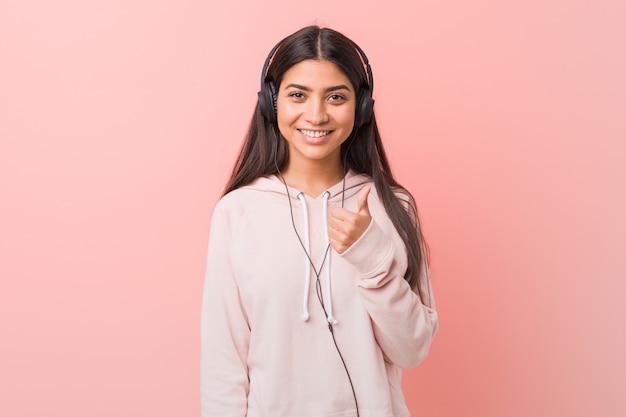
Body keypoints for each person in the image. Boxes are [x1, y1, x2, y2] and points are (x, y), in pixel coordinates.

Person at [201, 25, 438, 417]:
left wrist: (373, 258)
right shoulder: (236, 212)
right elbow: (222, 364)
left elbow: (412, 350)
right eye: (298, 95)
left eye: (336, 97)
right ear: (271, 103)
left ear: (361, 108)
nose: (316, 114)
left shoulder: (393, 207)